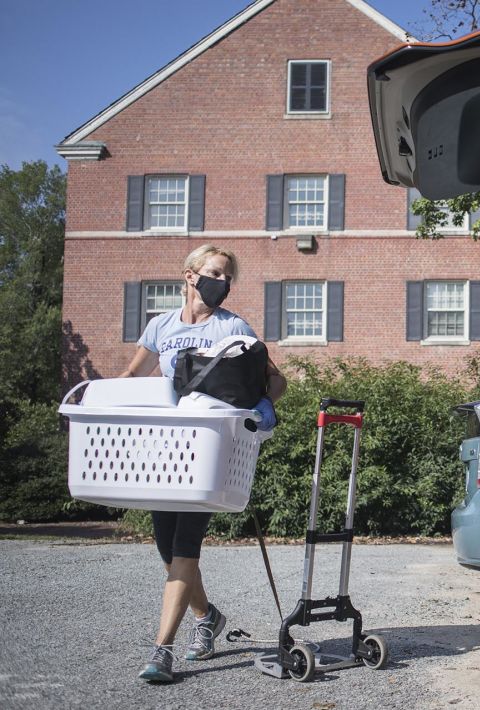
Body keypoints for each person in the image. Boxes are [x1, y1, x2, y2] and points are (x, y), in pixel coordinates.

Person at [119, 244, 287, 683]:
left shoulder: (232, 326)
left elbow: (274, 377)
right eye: (216, 273)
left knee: (184, 548)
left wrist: (263, 403)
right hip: (162, 449)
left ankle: (162, 651)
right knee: (166, 549)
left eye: (228, 277)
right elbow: (132, 377)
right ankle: (208, 616)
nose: (223, 283)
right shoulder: (161, 326)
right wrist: (97, 399)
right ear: (191, 275)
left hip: (206, 451)